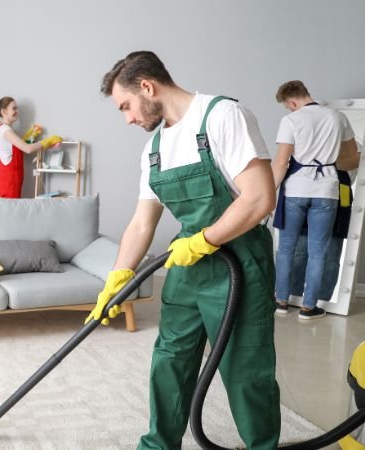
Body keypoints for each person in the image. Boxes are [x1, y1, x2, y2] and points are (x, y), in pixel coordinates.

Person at [86, 51, 280, 449]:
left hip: (239, 264)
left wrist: (206, 240)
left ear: (147, 87)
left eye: (125, 106)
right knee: (170, 361)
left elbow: (260, 197)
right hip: (187, 266)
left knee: (245, 370)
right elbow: (142, 223)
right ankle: (158, 444)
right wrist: (117, 278)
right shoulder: (154, 148)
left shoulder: (223, 116)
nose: (127, 119)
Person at [271, 80, 358, 319]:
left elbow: (281, 162)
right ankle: (309, 308)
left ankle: (281, 301)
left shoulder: (291, 120)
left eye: (287, 106)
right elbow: (352, 156)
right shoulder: (337, 117)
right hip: (326, 190)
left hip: (295, 189)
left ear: (291, 101)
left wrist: (268, 194)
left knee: (286, 249)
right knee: (318, 252)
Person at [0, 97, 63, 198]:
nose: (17, 111)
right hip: (9, 181)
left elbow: (18, 147)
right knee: (10, 208)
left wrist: (32, 134)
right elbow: (27, 149)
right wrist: (49, 141)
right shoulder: (5, 130)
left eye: (17, 108)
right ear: (4, 111)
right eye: (14, 108)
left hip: (9, 179)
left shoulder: (4, 129)